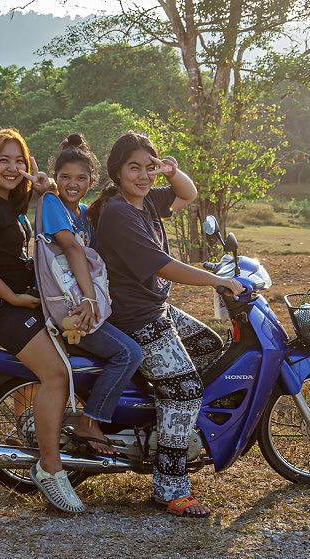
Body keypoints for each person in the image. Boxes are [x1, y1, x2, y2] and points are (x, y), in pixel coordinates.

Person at [89, 131, 244, 518]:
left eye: (149, 167)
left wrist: (171, 172)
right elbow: (163, 266)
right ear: (117, 172)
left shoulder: (146, 200)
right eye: (133, 168)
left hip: (154, 308)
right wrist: (217, 280)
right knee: (187, 390)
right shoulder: (120, 213)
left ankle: (170, 422)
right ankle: (169, 485)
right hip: (133, 316)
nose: (143, 175)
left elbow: (188, 193)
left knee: (208, 346)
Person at [0, 128, 84, 514]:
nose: (12, 168)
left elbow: (48, 203)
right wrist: (13, 296)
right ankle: (50, 468)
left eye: (19, 161)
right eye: (3, 160)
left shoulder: (9, 203)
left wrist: (43, 186)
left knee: (63, 360)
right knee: (56, 375)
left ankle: (31, 436)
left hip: (19, 302)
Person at [39, 133, 142, 455]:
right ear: (55, 179)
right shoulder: (52, 203)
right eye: (65, 177)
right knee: (128, 353)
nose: (73, 183)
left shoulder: (83, 212)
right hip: (70, 306)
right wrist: (90, 299)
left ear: (91, 180)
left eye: (81, 178)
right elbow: (71, 249)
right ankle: (90, 421)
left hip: (82, 300)